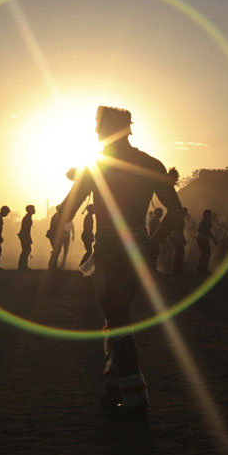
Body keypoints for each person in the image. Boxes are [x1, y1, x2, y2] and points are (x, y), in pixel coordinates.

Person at [55, 105, 183, 419]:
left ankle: (135, 397)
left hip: (111, 249)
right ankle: (115, 386)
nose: (95, 133)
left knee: (119, 322)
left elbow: (68, 213)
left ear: (105, 131)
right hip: (141, 249)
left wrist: (67, 202)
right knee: (118, 319)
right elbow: (176, 212)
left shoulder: (96, 167)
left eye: (97, 128)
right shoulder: (150, 164)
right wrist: (152, 241)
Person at [196, 209, 218, 273]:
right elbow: (207, 231)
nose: (211, 215)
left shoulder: (204, 221)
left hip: (201, 238)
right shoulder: (205, 221)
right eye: (210, 214)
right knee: (207, 253)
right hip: (202, 238)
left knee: (204, 253)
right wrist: (214, 240)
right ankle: (203, 268)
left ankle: (201, 267)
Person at [170, 207, 189, 273]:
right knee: (180, 253)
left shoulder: (180, 219)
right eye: (185, 212)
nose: (186, 213)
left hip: (177, 237)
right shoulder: (179, 220)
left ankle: (177, 268)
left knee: (180, 253)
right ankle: (176, 268)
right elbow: (177, 230)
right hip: (177, 237)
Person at [18, 204, 35, 269]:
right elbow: (26, 229)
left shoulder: (28, 217)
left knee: (26, 250)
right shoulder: (27, 218)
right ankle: (22, 266)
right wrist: (27, 238)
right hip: (24, 235)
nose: (34, 210)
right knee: (26, 250)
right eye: (33, 209)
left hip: (24, 235)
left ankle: (22, 265)